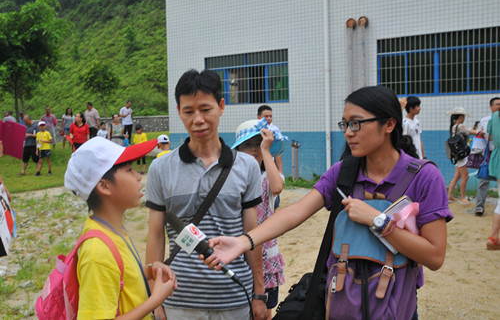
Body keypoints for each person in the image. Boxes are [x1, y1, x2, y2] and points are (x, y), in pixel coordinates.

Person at [205, 86, 453, 320]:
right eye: (345, 124)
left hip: (396, 304)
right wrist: (244, 241)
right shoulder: (343, 172)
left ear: (389, 124)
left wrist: (378, 221)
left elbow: (434, 256)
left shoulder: (424, 177)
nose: (348, 132)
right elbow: (297, 211)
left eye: (356, 123)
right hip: (341, 301)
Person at [145, 69, 266, 320]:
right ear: (178, 111)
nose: (197, 119)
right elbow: (155, 235)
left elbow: (252, 233)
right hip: (179, 299)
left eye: (205, 109)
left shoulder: (247, 166)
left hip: (234, 297)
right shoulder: (160, 168)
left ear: (221, 106)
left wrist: (259, 292)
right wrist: (155, 301)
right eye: (188, 111)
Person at [63, 137, 177, 318]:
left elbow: (120, 276)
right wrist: (155, 300)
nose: (139, 176)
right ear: (104, 186)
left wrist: (148, 270)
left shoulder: (113, 230)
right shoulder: (97, 252)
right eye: (129, 170)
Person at [232, 119, 285, 320]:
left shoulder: (266, 178)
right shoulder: (231, 179)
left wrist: (266, 151)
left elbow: (277, 187)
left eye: (258, 144)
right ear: (237, 150)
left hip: (265, 260)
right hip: (239, 256)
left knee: (263, 312)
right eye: (248, 145)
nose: (254, 149)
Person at [474, 97, 500, 216]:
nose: (499, 107)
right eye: (497, 104)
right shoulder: (485, 120)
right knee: (484, 180)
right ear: (491, 106)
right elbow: (480, 136)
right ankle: (479, 206)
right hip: (489, 153)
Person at [446, 107, 476, 204]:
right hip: (462, 154)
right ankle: (463, 197)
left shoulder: (454, 126)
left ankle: (449, 196)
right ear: (461, 116)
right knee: (465, 176)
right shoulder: (460, 126)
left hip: (458, 154)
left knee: (457, 176)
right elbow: (473, 132)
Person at [486, 108, 500, 250]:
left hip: (497, 158)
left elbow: (489, 136)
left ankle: (494, 238)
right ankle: (494, 238)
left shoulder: (494, 116)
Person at [257, 105, 283, 173]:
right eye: (266, 116)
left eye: (270, 116)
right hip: (256, 163)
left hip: (269, 162)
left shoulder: (275, 130)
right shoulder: (253, 129)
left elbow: (277, 153)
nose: (269, 118)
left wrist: (280, 172)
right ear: (259, 117)